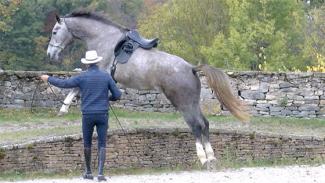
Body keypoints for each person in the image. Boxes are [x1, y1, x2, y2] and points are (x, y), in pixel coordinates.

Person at [41, 50, 121, 181]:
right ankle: (100, 174)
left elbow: (64, 84)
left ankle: (88, 172)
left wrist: (48, 78)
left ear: (87, 64)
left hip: (87, 115)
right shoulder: (106, 76)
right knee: (102, 143)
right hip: (102, 114)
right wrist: (107, 99)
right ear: (97, 62)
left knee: (87, 142)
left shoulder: (82, 77)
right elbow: (117, 95)